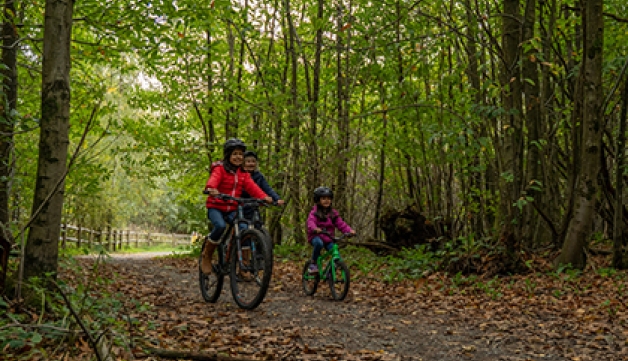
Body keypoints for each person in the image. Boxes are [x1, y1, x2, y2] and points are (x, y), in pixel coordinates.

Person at [202, 138, 272, 275]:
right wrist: (211, 189)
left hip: (232, 208)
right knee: (220, 226)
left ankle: (243, 265)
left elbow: (253, 188)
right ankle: (207, 255)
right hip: (216, 206)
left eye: (240, 154)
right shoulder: (220, 169)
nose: (238, 157)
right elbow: (213, 180)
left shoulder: (243, 174)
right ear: (228, 155)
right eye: (235, 154)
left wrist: (264, 197)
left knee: (243, 228)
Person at [306, 187, 355, 274]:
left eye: (328, 198)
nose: (326, 201)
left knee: (337, 256)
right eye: (323, 198)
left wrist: (349, 230)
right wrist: (315, 228)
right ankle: (313, 263)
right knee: (318, 244)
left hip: (328, 238)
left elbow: (340, 224)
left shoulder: (333, 213)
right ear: (318, 200)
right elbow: (311, 222)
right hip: (316, 236)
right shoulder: (314, 212)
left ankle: (330, 273)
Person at [241, 150, 285, 224]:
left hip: (254, 206)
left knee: (258, 225)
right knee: (242, 227)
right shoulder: (240, 175)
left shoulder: (259, 176)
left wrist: (277, 199)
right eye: (248, 161)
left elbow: (267, 189)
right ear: (243, 163)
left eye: (253, 161)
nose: (251, 164)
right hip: (240, 205)